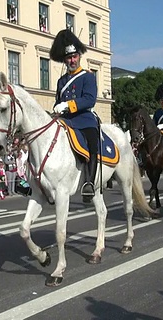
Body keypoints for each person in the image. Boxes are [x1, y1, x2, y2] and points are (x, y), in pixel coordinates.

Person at [50, 29, 99, 202]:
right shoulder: (61, 81)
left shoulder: (88, 77)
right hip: (65, 121)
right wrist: (57, 108)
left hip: (84, 120)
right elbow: (58, 101)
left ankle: (89, 183)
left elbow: (89, 99)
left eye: (74, 56)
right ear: (65, 60)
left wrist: (69, 105)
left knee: (93, 144)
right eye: (68, 58)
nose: (72, 60)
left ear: (79, 56)